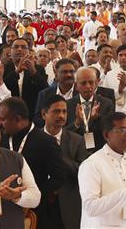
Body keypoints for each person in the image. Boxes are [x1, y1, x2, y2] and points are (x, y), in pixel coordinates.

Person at [0, 97, 66, 226]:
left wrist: (33, 196)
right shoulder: (2, 140)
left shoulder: (45, 142)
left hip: (36, 210)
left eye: (3, 119)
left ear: (17, 119)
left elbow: (59, 176)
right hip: (5, 207)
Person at [41, 93, 87, 229]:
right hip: (41, 202)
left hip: (68, 203)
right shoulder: (33, 139)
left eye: (64, 112)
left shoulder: (77, 140)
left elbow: (82, 171)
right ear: (44, 114)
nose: (61, 116)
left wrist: (57, 156)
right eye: (56, 111)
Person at [66, 66, 115, 154]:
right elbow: (63, 133)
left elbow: (110, 132)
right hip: (74, 153)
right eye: (83, 83)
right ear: (76, 85)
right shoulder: (68, 104)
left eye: (91, 82)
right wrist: (76, 123)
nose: (88, 86)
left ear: (96, 83)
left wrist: (96, 119)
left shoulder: (106, 103)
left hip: (99, 152)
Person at [3, 38, 48, 119]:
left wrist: (34, 72)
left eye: (23, 47)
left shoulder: (38, 69)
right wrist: (17, 71)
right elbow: (3, 88)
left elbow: (45, 90)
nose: (19, 49)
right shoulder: (4, 68)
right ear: (10, 51)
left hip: (32, 114)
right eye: (16, 47)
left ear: (28, 51)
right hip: (9, 113)